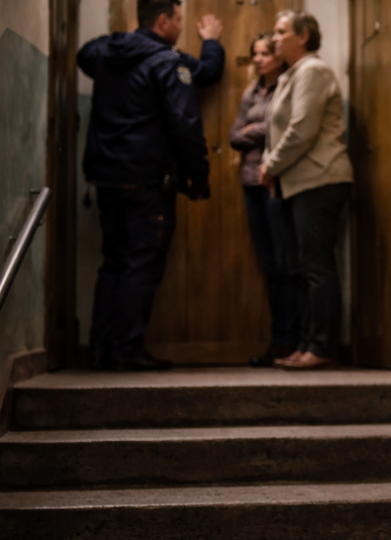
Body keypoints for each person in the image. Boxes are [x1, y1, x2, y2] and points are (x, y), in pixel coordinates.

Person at [78, 0, 224, 371]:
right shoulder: (166, 62)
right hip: (146, 182)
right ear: (162, 21)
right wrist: (199, 177)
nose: (179, 26)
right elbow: (187, 124)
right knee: (140, 266)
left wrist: (123, 40)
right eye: (178, 20)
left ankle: (100, 348)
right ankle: (126, 350)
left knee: (113, 263)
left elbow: (84, 54)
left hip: (107, 179)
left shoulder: (107, 52)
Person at [260, 10, 353, 370]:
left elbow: (301, 128)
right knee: (305, 266)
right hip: (300, 182)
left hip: (321, 180)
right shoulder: (293, 74)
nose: (274, 38)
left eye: (281, 32)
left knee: (317, 266)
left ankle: (323, 345)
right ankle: (308, 343)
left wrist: (270, 164)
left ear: (304, 36)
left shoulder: (313, 70)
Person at [228, 32, 299, 367]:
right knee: (270, 266)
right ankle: (278, 343)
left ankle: (291, 341)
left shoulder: (289, 84)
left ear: (278, 56)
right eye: (254, 54)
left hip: (278, 181)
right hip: (250, 183)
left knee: (286, 265)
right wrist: (261, 127)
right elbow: (233, 137)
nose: (257, 59)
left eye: (264, 53)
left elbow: (280, 128)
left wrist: (253, 129)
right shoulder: (251, 92)